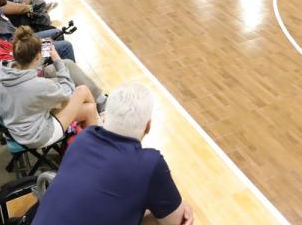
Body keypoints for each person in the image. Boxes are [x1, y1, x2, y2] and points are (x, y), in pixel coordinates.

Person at [32, 83, 194, 225]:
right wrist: (178, 206)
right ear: (148, 127)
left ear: (106, 116)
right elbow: (178, 221)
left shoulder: (83, 139)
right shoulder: (150, 164)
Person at [0, 11, 104, 109]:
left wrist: (41, 45)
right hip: (22, 87)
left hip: (21, 78)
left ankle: (98, 100)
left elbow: (17, 53)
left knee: (67, 64)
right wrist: (45, 51)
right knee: (67, 75)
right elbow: (27, 68)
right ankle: (94, 102)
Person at [0, 26, 99, 149]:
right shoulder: (38, 85)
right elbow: (68, 91)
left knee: (89, 109)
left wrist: (38, 54)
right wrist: (57, 61)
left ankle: (88, 140)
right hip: (37, 135)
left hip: (18, 123)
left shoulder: (3, 70)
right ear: (37, 57)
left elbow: (27, 67)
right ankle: (95, 143)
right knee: (82, 90)